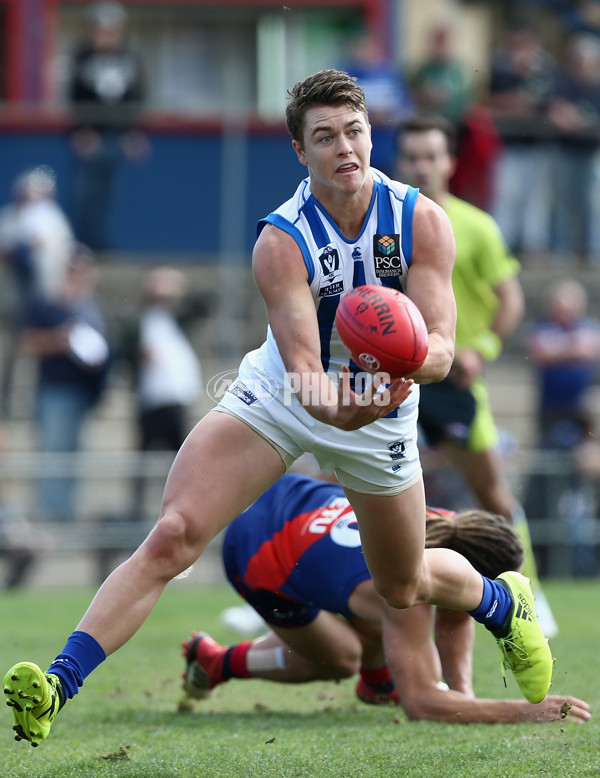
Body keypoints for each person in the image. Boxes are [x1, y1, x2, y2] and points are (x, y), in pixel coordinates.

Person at [4, 69, 553, 748]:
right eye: (325, 137)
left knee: (404, 586)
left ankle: (502, 600)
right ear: (301, 152)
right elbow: (303, 372)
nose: (344, 148)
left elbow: (441, 341)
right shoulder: (281, 241)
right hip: (287, 395)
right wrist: (340, 406)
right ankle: (56, 686)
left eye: (354, 131)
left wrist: (407, 368)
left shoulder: (420, 219)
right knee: (174, 535)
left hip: (387, 404)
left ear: (370, 134)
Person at [179, 473, 590, 724]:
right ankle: (215, 661)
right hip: (255, 548)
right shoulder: (406, 590)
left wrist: (464, 698)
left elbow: (456, 614)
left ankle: (377, 682)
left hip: (297, 498)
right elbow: (423, 704)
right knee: (339, 657)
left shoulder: (448, 526)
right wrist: (521, 712)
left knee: (372, 611)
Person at [395, 112, 557, 637]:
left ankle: (528, 593)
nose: (421, 165)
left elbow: (509, 300)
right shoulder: (381, 221)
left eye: (431, 155)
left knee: (492, 494)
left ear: (449, 162)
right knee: (334, 479)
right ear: (399, 161)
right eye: (412, 156)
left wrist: (480, 350)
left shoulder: (476, 227)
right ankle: (298, 596)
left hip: (456, 382)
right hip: (392, 379)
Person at [19, 244, 111, 522]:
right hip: (55, 390)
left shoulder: (92, 308)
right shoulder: (48, 305)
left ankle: (64, 510)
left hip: (82, 390)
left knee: (71, 453)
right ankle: (50, 512)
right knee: (54, 452)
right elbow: (27, 343)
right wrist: (61, 339)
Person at [67, 1, 147, 250]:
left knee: (109, 192)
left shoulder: (129, 57)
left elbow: (137, 94)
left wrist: (134, 131)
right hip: (91, 134)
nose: (105, 36)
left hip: (117, 134)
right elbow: (75, 95)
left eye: (111, 30)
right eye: (100, 29)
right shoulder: (81, 56)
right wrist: (82, 129)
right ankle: (82, 242)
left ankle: (101, 244)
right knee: (84, 192)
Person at [486, 17, 556, 258]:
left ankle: (533, 246)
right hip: (508, 143)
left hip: (537, 143)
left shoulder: (545, 66)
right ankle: (501, 246)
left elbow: (545, 103)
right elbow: (491, 100)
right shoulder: (501, 65)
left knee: (537, 199)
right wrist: (515, 100)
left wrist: (519, 100)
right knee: (506, 195)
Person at [546, 34, 600, 261]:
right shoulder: (564, 82)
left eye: (587, 61)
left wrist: (576, 118)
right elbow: (556, 111)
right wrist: (572, 118)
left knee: (592, 204)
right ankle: (561, 251)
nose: (582, 66)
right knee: (563, 202)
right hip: (566, 151)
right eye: (579, 61)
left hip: (592, 153)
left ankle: (593, 251)